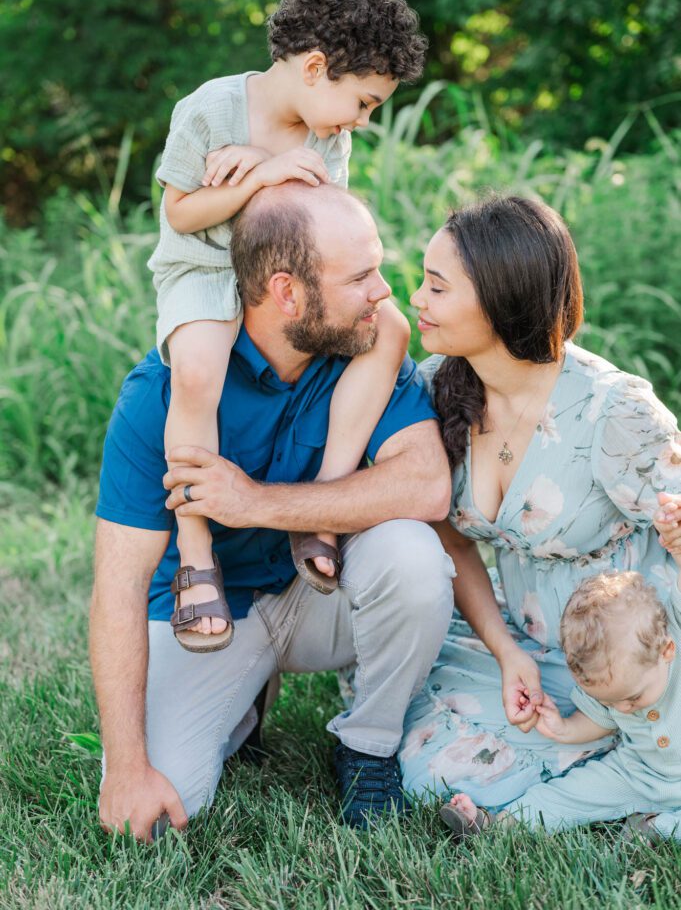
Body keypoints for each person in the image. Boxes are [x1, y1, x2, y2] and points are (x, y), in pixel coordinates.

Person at [91, 182, 455, 842]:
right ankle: (244, 701)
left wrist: (254, 502)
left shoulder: (368, 346)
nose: (383, 291)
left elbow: (426, 485)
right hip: (211, 614)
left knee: (411, 553)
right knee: (162, 811)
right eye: (361, 275)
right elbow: (116, 590)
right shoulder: (166, 390)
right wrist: (124, 768)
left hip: (322, 592)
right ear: (287, 292)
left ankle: (368, 750)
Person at [148, 0, 426, 651]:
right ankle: (195, 552)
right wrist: (262, 176)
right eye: (362, 102)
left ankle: (322, 508)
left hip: (288, 279)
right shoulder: (209, 111)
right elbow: (180, 213)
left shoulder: (329, 136)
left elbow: (321, 224)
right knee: (198, 370)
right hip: (207, 267)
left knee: (388, 328)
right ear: (314, 67)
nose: (363, 120)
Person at [398, 194, 681, 812]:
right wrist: (504, 651)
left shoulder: (614, 413)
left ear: (502, 299)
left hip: (633, 650)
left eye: (437, 287)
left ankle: (632, 744)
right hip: (526, 640)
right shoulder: (437, 387)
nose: (416, 299)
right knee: (430, 767)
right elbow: (451, 538)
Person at [441, 536, 681, 842]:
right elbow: (597, 721)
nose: (622, 709)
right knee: (566, 795)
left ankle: (658, 828)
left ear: (667, 650)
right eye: (611, 702)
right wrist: (563, 728)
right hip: (639, 773)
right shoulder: (611, 684)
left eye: (633, 698)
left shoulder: (675, 630)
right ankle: (497, 824)